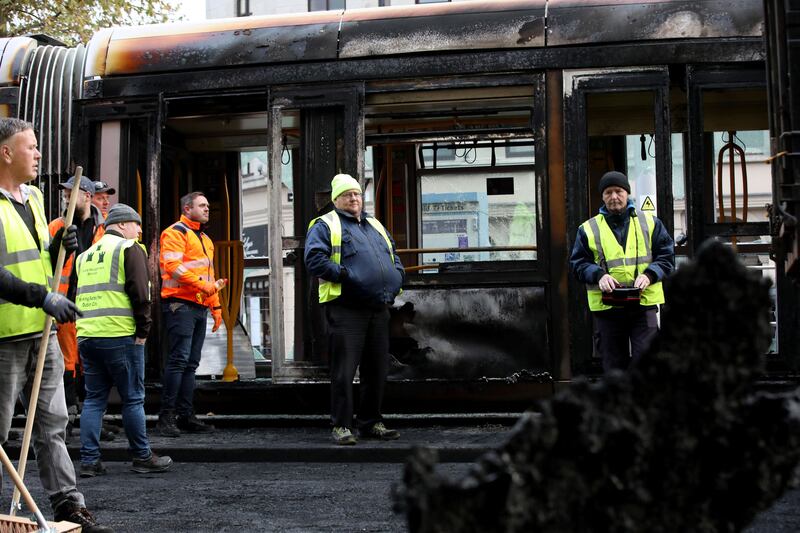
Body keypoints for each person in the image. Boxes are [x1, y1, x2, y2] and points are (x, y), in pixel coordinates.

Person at [0, 117, 113, 532]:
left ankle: (67, 503)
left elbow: (33, 262)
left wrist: (54, 247)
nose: (39, 154)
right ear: (6, 153)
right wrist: (43, 297)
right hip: (4, 335)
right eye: (31, 147)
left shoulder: (31, 198)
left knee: (52, 422)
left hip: (40, 331)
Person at [304, 173, 404, 445]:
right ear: (336, 199)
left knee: (376, 370)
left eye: (357, 193)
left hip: (378, 308)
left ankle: (371, 422)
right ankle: (341, 426)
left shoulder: (375, 225)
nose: (354, 198)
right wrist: (347, 275)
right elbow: (314, 260)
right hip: (346, 309)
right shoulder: (325, 225)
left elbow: (394, 256)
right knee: (344, 371)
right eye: (347, 194)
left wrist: (397, 278)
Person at [75, 203, 172, 476]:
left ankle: (90, 462)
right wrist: (143, 331)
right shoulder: (129, 249)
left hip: (88, 335)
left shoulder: (86, 255)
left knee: (94, 400)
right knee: (132, 398)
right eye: (135, 224)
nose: (139, 230)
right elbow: (141, 294)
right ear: (120, 225)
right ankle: (142, 456)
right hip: (120, 334)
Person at [569, 171, 675, 372]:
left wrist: (649, 275)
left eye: (618, 191)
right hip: (608, 307)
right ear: (602, 196)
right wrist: (599, 275)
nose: (614, 197)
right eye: (608, 192)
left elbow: (667, 257)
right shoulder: (588, 229)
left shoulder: (651, 223)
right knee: (613, 365)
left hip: (644, 304)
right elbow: (578, 263)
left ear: (627, 193)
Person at [156, 191, 225, 437]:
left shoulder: (204, 238)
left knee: (190, 363)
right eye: (202, 205)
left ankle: (185, 415)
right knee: (179, 361)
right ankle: (167, 417)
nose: (207, 209)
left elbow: (209, 276)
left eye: (207, 205)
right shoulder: (175, 233)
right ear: (187, 208)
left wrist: (215, 306)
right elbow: (172, 267)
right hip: (180, 305)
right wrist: (203, 287)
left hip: (197, 306)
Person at [49, 174, 105, 439]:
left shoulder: (101, 231)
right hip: (64, 307)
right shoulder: (56, 227)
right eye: (64, 192)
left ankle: (87, 419)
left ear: (86, 196)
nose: (65, 196)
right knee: (67, 362)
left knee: (86, 362)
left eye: (71, 192)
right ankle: (69, 417)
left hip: (91, 306)